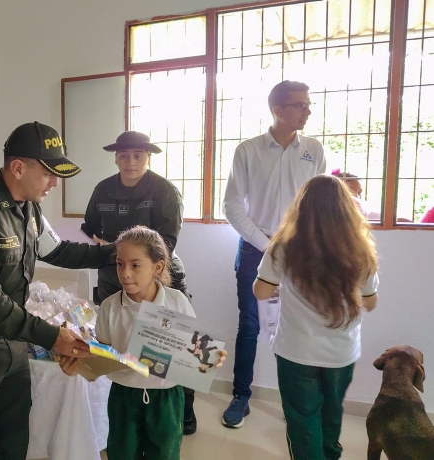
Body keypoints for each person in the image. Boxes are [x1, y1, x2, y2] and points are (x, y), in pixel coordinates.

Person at [0, 121, 115, 460]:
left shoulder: (28, 208)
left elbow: (57, 250)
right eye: (48, 173)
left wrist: (112, 253)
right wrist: (51, 337)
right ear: (18, 168)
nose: (54, 182)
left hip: (13, 345)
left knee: (12, 442)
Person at [59, 226, 226, 460]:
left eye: (135, 265)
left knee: (164, 454)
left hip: (165, 398)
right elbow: (103, 355)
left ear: (157, 267)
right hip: (123, 397)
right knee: (122, 453)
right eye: (119, 264)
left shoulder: (176, 302)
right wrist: (79, 362)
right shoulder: (109, 306)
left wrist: (207, 360)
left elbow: (194, 352)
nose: (125, 273)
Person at [222, 80, 326, 428]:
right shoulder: (248, 150)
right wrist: (267, 244)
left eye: (308, 105)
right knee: (250, 324)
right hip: (256, 248)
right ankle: (241, 396)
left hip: (301, 251)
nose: (307, 110)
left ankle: (297, 402)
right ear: (277, 110)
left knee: (299, 325)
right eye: (300, 105)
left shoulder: (313, 149)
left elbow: (319, 203)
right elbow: (232, 206)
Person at [80, 130, 198, 434]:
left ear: (148, 157)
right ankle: (124, 413)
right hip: (113, 277)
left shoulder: (164, 190)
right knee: (118, 346)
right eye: (124, 155)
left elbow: (168, 241)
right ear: (116, 157)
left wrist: (145, 272)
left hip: (160, 279)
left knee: (172, 354)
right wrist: (119, 260)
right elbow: (90, 226)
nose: (130, 161)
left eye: (138, 155)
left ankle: (181, 412)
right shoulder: (103, 189)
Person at [253, 175, 379, 459]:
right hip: (341, 353)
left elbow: (261, 291)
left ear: (302, 207)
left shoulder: (283, 246)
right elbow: (370, 304)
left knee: (302, 421)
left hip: (296, 351)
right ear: (346, 208)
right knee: (332, 414)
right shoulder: (360, 250)